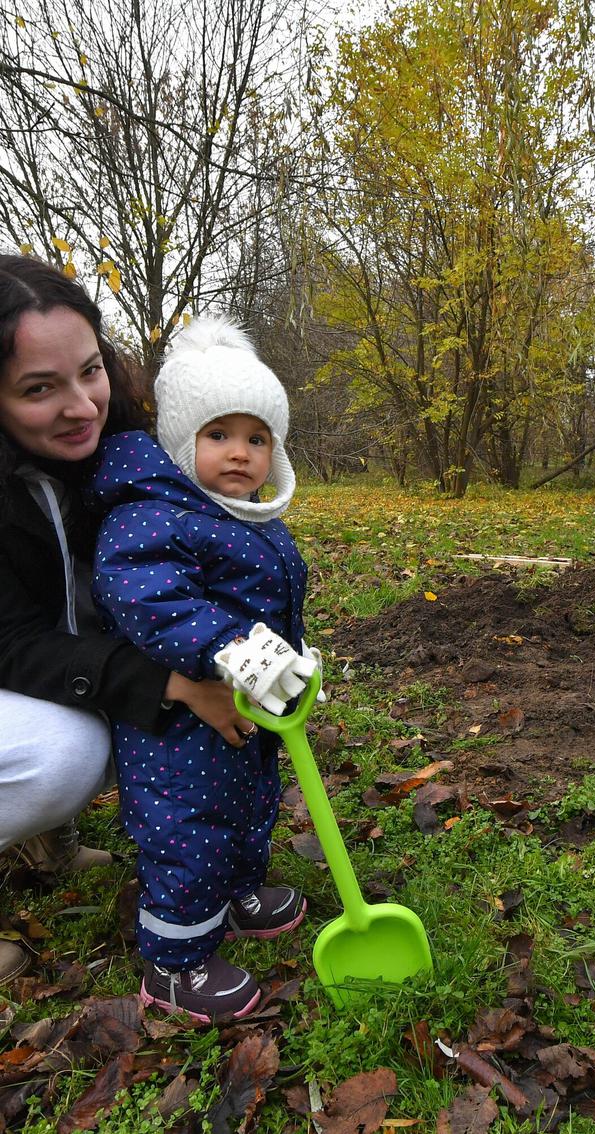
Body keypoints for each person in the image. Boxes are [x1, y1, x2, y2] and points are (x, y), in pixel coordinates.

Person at [0, 256, 254, 987]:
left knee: (106, 710)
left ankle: (43, 839)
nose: (83, 405)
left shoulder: (114, 453)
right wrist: (167, 683)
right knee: (67, 751)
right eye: (39, 388)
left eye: (89, 370)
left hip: (35, 655)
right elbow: (11, 643)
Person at [91, 317, 323, 1021]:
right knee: (189, 827)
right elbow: (148, 597)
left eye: (257, 439)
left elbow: (273, 600)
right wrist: (233, 648)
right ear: (180, 438)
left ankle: (240, 890)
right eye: (218, 434)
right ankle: (176, 960)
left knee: (251, 801)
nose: (240, 454)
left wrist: (289, 661)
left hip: (248, 703)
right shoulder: (152, 515)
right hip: (179, 722)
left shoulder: (249, 517)